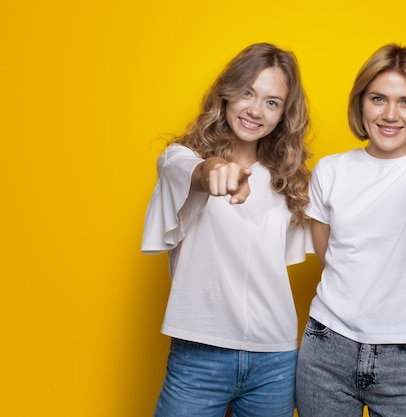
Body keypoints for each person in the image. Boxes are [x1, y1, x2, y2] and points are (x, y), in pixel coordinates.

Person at [141, 43, 312, 417]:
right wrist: (217, 170)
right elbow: (199, 174)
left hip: (276, 360)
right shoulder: (182, 161)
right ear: (226, 94)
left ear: (284, 114)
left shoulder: (289, 182)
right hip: (199, 355)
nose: (255, 110)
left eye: (272, 102)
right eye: (247, 92)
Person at [295, 44, 406, 417]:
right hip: (327, 347)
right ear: (361, 103)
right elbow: (329, 259)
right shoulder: (329, 171)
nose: (390, 114)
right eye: (378, 99)